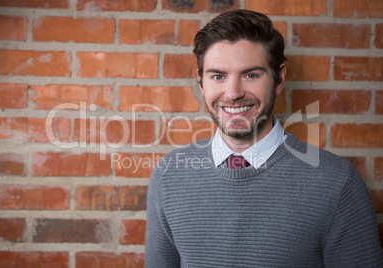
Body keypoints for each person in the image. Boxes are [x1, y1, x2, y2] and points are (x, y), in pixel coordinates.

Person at [145, 9, 383, 267]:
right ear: (201, 83)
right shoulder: (168, 176)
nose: (233, 93)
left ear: (279, 78)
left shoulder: (338, 184)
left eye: (251, 75)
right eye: (218, 76)